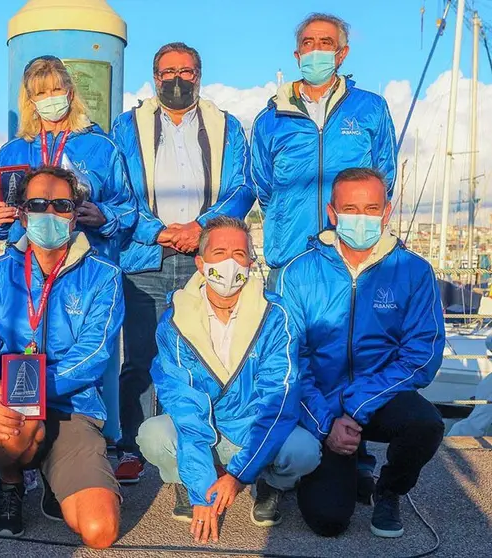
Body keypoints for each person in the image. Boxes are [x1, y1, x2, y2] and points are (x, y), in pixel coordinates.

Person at [110, 42, 254, 484]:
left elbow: (243, 187)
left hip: (202, 260)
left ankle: (201, 442)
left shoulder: (226, 127)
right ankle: (133, 447)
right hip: (145, 258)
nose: (177, 79)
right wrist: (156, 230)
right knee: (140, 358)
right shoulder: (126, 127)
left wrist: (202, 228)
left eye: (186, 71)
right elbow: (117, 191)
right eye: (168, 71)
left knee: (204, 356)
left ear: (199, 75)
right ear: (155, 77)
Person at [276, 168, 445, 538]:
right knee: (328, 522)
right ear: (332, 213)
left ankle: (389, 490)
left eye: (371, 208)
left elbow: (422, 354)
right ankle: (335, 462)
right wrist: (326, 424)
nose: (361, 218)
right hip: (321, 403)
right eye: (350, 209)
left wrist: (356, 404)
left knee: (427, 424)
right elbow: (288, 360)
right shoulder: (298, 273)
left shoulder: (413, 271)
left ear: (386, 212)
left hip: (378, 396)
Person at [0, 167, 123, 549]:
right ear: (21, 214)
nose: (49, 213)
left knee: (100, 532)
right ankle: (10, 483)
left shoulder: (104, 276)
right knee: (18, 420)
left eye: (61, 205)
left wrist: (22, 387)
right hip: (13, 410)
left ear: (75, 214)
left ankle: (55, 477)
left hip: (73, 409)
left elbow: (94, 355)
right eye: (37, 204)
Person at [136, 217, 320, 542]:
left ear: (250, 262)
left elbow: (278, 403)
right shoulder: (174, 322)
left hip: (252, 430)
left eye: (239, 254)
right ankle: (187, 481)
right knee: (153, 434)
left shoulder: (276, 317)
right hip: (205, 429)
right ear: (200, 262)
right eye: (219, 253)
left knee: (304, 450)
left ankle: (269, 484)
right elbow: (184, 406)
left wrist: (238, 475)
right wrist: (201, 489)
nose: (229, 263)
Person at [251, 13, 397, 277]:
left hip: (353, 255)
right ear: (297, 55)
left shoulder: (371, 108)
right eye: (308, 43)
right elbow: (263, 187)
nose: (315, 49)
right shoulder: (270, 119)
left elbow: (384, 176)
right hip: (289, 255)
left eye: (325, 42)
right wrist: (285, 218)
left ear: (342, 54)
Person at [0, 55, 136, 262]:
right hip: (26, 263)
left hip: (84, 262)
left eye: (56, 89)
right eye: (41, 93)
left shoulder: (102, 146)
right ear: (31, 101)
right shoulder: (12, 152)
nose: (50, 98)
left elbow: (127, 209)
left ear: (70, 93)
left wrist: (104, 216)